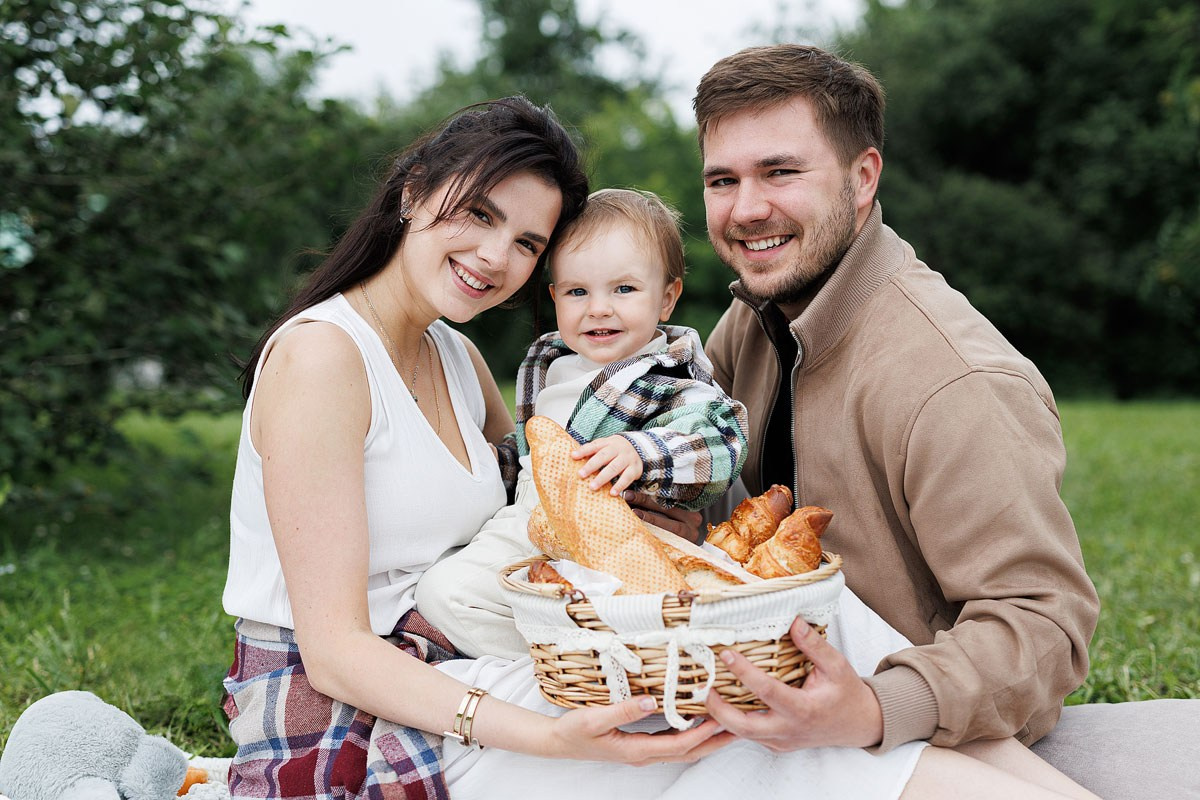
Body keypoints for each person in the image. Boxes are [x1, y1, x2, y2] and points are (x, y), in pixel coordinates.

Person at [215, 92, 1098, 800]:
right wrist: (550, 736)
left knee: (817, 622)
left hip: (500, 644)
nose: (495, 256)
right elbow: (333, 652)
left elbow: (554, 491)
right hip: (367, 707)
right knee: (757, 745)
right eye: (478, 213)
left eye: (526, 241)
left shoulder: (455, 356)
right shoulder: (324, 357)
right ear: (412, 191)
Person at [644, 42, 1102, 771]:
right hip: (758, 699)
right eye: (722, 180)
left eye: (781, 172)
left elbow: (1042, 627)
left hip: (908, 742)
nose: (746, 208)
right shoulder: (751, 321)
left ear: (863, 178)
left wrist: (876, 709)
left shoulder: (956, 381)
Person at [415, 187, 750, 661]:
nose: (598, 308)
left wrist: (642, 452)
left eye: (624, 289)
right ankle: (576, 660)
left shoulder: (667, 375)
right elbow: (541, 450)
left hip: (617, 538)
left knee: (637, 607)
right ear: (555, 298)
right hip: (531, 526)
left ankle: (627, 659)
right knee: (444, 592)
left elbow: (722, 442)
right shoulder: (556, 365)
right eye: (577, 292)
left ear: (667, 298)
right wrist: (502, 462)